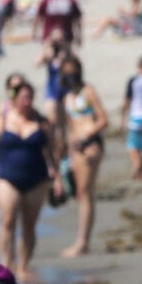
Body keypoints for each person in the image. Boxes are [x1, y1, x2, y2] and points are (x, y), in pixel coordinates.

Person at [0, 75, 58, 281]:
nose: (26, 101)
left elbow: (53, 151)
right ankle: (6, 263)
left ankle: (23, 265)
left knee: (29, 224)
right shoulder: (1, 118)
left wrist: (57, 179)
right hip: (7, 177)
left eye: (30, 97)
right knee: (8, 220)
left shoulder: (42, 122)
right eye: (23, 97)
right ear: (15, 98)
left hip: (36, 179)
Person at [57, 58, 108, 257]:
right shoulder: (67, 96)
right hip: (76, 146)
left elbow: (103, 119)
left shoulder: (88, 91)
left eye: (73, 73)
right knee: (80, 193)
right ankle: (81, 240)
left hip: (90, 143)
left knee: (85, 193)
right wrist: (68, 149)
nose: (70, 77)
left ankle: (82, 243)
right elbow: (70, 126)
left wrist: (86, 136)